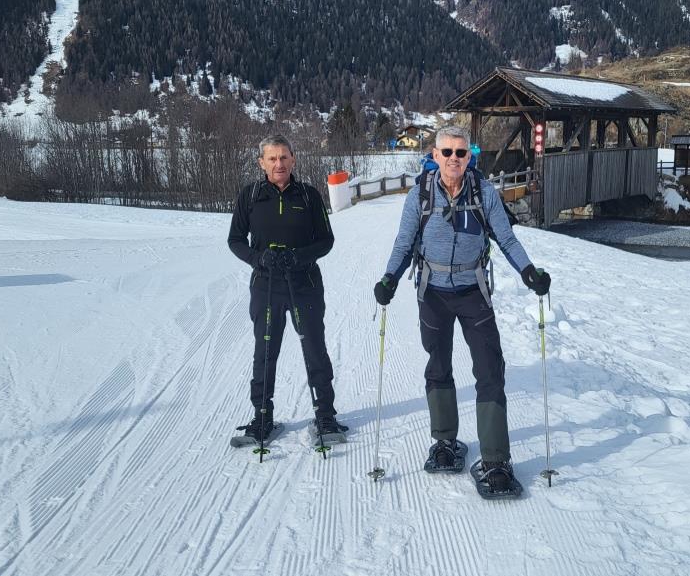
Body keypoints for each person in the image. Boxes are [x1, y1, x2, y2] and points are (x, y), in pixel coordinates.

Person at [373, 125, 551, 494]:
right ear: (435, 156)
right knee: (438, 366)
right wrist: (390, 278)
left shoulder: (484, 192)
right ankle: (444, 441)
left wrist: (529, 272)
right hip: (433, 293)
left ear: (469, 157)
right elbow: (404, 242)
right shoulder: (420, 194)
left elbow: (506, 238)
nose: (454, 159)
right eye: (447, 152)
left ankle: (496, 459)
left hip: (473, 291)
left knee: (489, 369)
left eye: (461, 152)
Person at [228, 134, 347, 442]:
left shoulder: (308, 195)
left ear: (293, 159)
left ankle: (325, 416)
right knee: (265, 351)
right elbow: (235, 240)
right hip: (266, 285)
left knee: (314, 349)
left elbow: (326, 240)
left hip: (304, 283)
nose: (278, 163)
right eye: (272, 158)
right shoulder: (250, 196)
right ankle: (262, 418)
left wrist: (299, 256)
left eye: (283, 157)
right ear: (262, 163)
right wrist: (258, 258)